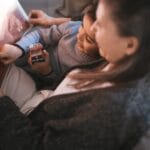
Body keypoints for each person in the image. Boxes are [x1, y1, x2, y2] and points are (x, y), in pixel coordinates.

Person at [0, 0, 150, 149]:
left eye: (102, 24)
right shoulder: (123, 60)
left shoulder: (110, 113)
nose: (94, 27)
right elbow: (80, 23)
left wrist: (3, 103)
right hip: (43, 101)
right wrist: (51, 21)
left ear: (130, 44)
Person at [0, 2, 100, 114]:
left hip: (39, 82)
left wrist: (46, 71)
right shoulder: (73, 28)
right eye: (82, 26)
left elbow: (58, 87)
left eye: (89, 39)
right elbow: (39, 35)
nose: (79, 36)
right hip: (23, 57)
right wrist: (19, 49)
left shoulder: (91, 70)